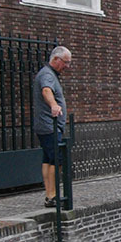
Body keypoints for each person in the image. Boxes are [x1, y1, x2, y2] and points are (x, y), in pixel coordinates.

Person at [34, 46, 72, 208]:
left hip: (49, 126)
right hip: (49, 126)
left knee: (48, 159)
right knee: (57, 159)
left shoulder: (50, 74)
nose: (67, 66)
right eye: (65, 62)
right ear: (56, 59)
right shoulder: (47, 75)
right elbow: (46, 91)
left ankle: (50, 195)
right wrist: (54, 105)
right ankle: (52, 196)